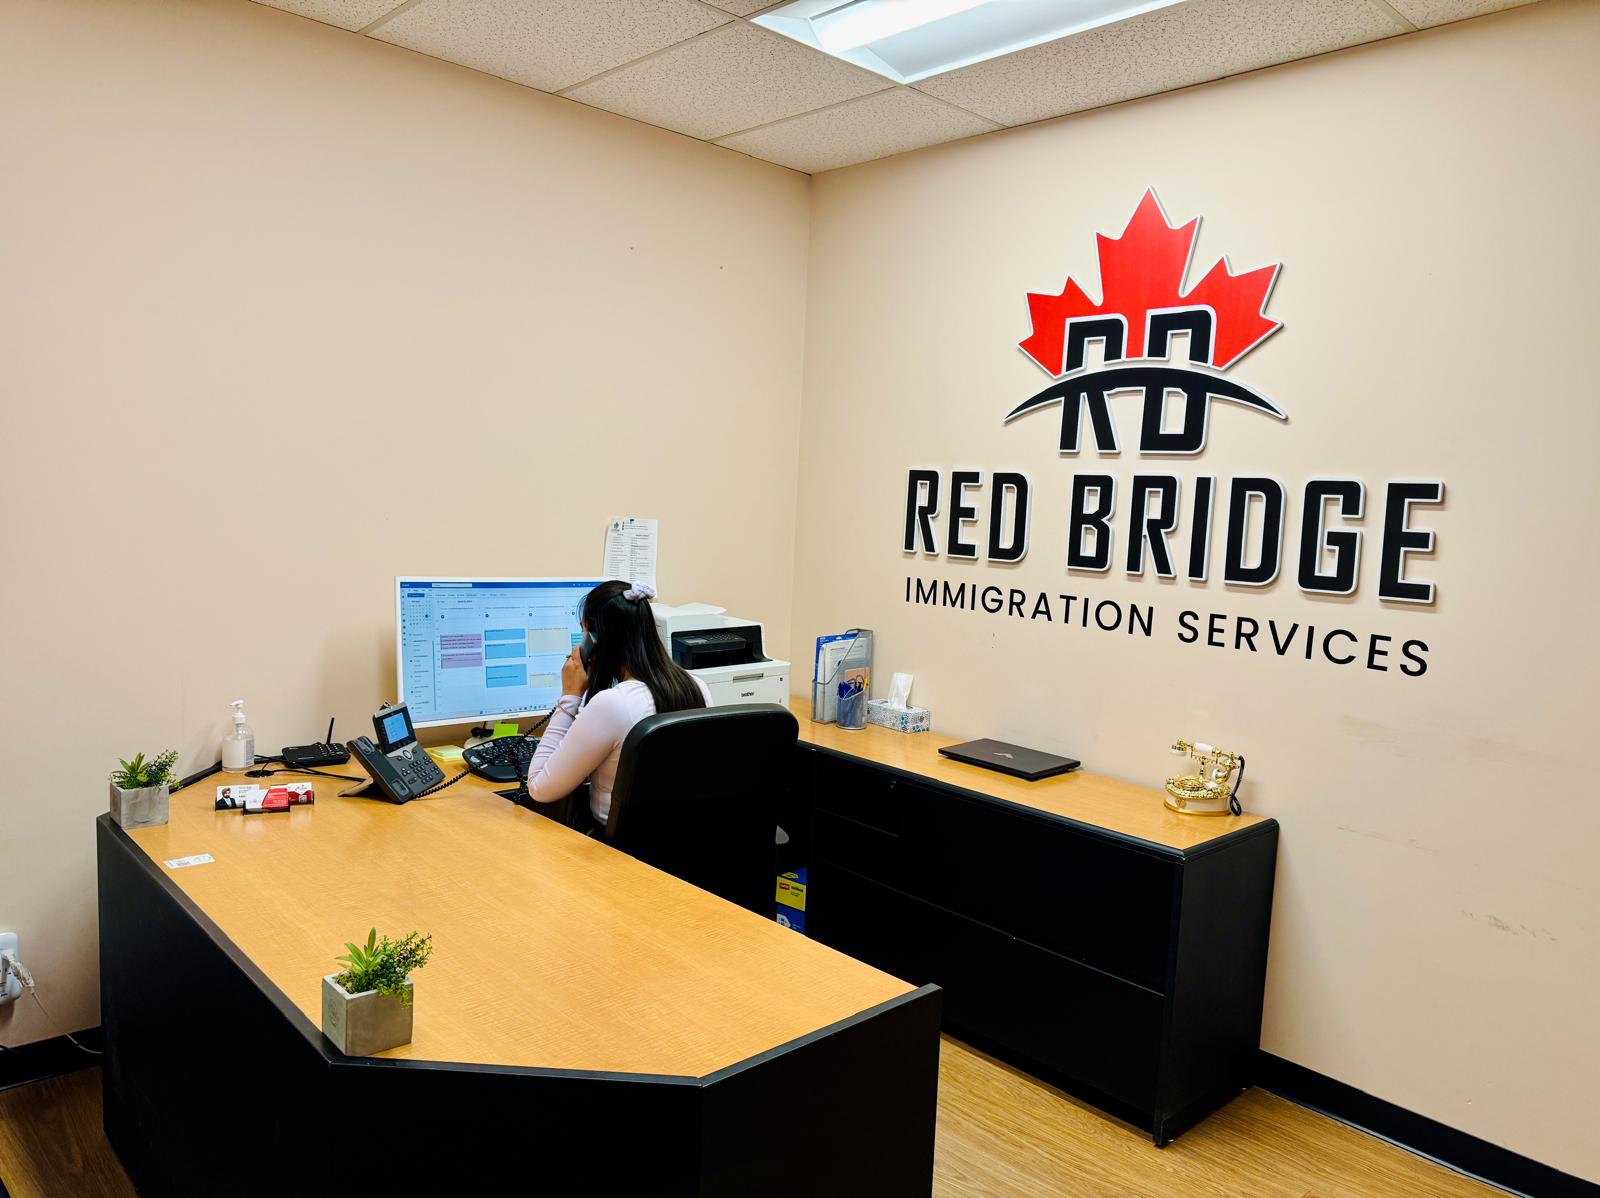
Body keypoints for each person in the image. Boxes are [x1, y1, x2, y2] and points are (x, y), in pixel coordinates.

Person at [524, 580, 710, 833]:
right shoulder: (697, 686)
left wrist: (570, 696)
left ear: (596, 641)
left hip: (618, 848)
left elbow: (539, 788)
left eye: (584, 633)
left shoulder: (612, 704)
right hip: (684, 843)